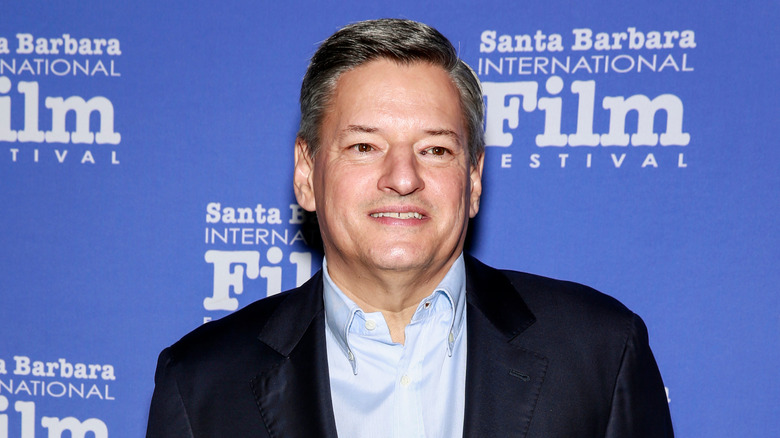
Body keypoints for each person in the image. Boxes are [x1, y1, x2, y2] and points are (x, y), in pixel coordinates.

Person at [146, 18, 673, 437]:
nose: (402, 178)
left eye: (435, 149)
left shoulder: (600, 351)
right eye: (364, 147)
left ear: (473, 178)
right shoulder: (202, 384)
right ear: (306, 174)